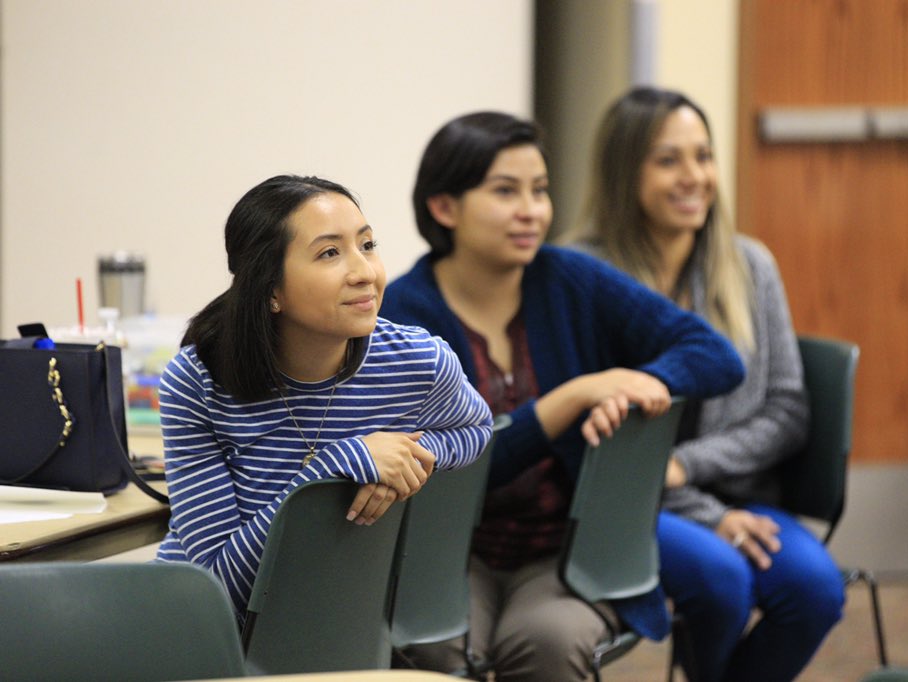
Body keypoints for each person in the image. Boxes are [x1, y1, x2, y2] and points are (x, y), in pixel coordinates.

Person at [379, 112, 745, 682]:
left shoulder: (569, 278)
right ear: (444, 207)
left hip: (565, 551)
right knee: (435, 649)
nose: (532, 211)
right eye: (506, 192)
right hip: (446, 554)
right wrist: (573, 397)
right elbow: (451, 465)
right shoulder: (404, 314)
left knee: (550, 641)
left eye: (541, 191)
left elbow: (714, 354)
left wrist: (637, 385)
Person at [569, 85, 846, 682]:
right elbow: (584, 441)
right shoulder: (581, 276)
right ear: (625, 173)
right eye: (669, 160)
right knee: (723, 578)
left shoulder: (750, 265)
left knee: (816, 591)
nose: (693, 176)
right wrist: (705, 514)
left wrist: (688, 469)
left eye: (704, 155)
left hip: (737, 494)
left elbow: (786, 411)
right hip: (624, 508)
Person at [156, 174, 493, 617]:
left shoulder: (416, 361)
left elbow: (476, 427)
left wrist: (407, 456)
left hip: (334, 617)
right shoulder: (198, 380)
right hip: (205, 628)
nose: (365, 273)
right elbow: (218, 587)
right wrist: (341, 464)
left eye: (367, 245)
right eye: (330, 253)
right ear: (271, 289)